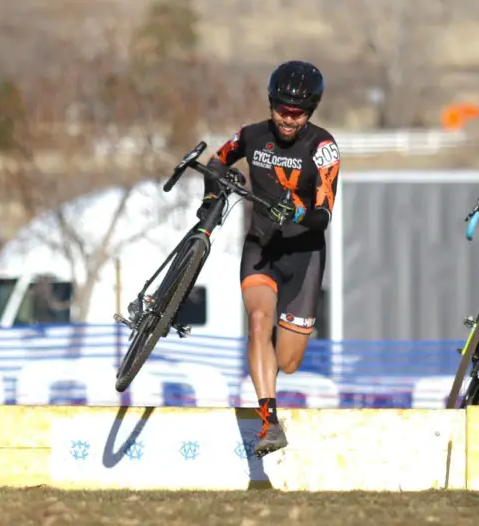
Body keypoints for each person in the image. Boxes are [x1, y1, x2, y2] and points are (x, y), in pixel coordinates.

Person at [196, 60, 340, 457]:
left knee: (289, 362)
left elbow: (324, 215)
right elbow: (217, 161)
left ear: (310, 111)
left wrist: (296, 212)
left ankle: (268, 355)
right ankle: (269, 422)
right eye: (281, 109)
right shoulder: (252, 135)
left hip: (304, 255)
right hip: (261, 248)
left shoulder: (323, 148)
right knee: (258, 320)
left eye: (297, 112)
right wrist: (213, 192)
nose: (288, 118)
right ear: (271, 103)